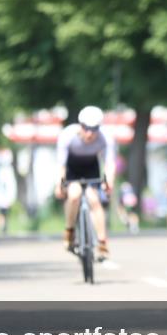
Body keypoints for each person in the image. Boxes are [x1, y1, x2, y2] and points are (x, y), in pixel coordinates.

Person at [54, 106, 116, 260]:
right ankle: (69, 232)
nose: (90, 133)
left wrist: (108, 184)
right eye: (86, 128)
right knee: (74, 195)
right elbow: (60, 165)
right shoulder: (67, 135)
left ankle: (102, 243)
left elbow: (109, 164)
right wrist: (59, 185)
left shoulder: (105, 137)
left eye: (94, 129)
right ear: (80, 125)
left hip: (91, 168)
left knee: (94, 199)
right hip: (72, 168)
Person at [0, 154, 17, 235]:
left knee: (2, 213)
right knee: (2, 213)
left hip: (3, 198)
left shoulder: (0, 172)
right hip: (2, 197)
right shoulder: (2, 172)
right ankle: (2, 227)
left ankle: (3, 227)